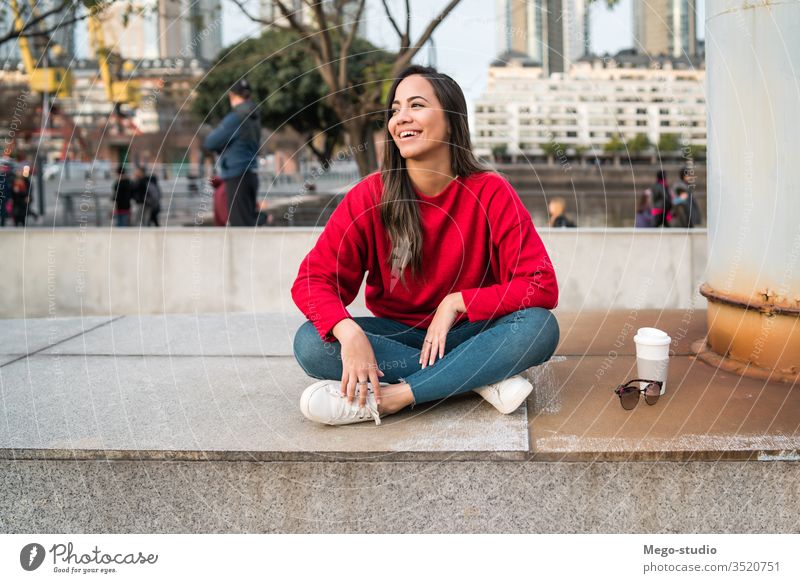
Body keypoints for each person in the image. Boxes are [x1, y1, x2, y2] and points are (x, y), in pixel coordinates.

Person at [291, 65, 560, 426]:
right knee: (311, 343)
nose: (402, 117)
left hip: (470, 332)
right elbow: (312, 280)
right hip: (400, 339)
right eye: (395, 109)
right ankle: (477, 378)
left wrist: (458, 302)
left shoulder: (491, 192)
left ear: (451, 121)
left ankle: (395, 397)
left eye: (416, 105)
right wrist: (348, 330)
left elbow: (541, 283)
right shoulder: (371, 196)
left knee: (539, 327)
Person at [202, 78, 261, 227]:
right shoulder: (254, 117)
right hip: (251, 174)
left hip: (236, 175)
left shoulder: (236, 118)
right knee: (248, 222)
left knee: (239, 226)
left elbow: (210, 142)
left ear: (231, 95)